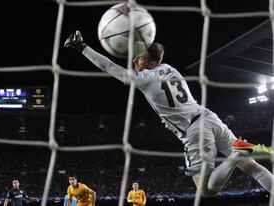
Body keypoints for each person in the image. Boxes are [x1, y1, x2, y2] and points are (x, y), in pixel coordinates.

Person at [64, 31, 274, 197]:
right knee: (253, 167)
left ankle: (234, 157)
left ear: (152, 63)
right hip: (209, 117)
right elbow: (169, 99)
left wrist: (83, 47)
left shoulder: (143, 79)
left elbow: (108, 66)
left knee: (207, 190)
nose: (136, 60)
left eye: (140, 59)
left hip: (194, 132)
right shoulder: (169, 68)